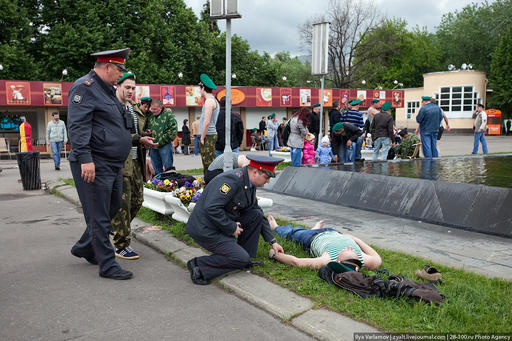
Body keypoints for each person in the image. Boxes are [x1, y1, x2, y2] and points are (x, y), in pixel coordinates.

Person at [68, 48, 134, 280]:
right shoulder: (84, 88)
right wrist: (85, 159)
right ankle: (107, 265)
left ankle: (85, 247)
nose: (120, 76)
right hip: (94, 162)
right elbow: (77, 126)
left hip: (111, 163)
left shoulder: (106, 90)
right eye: (118, 70)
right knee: (99, 215)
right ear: (107, 67)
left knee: (112, 206)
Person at [185, 155, 285, 285]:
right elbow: (212, 208)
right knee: (239, 258)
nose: (267, 182)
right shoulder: (232, 181)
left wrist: (273, 241)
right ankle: (199, 266)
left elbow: (257, 212)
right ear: (255, 172)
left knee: (255, 215)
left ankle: (244, 259)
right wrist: (231, 227)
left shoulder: (248, 181)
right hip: (205, 228)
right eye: (266, 177)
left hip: (218, 223)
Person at [111, 72, 158, 260]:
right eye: (127, 87)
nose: (130, 91)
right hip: (121, 162)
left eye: (133, 88)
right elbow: (117, 135)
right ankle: (121, 244)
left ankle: (115, 228)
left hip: (137, 160)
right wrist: (140, 138)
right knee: (123, 203)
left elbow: (134, 133)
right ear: (118, 86)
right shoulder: (113, 107)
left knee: (137, 200)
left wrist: (143, 141)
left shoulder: (132, 108)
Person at [266, 216, 381, 270]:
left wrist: (275, 255)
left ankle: (275, 227)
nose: (350, 248)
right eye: (353, 250)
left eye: (347, 251)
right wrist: (356, 240)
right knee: (302, 231)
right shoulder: (364, 260)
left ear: (339, 260)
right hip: (334, 232)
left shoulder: (328, 259)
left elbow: (297, 262)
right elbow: (377, 258)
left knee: (292, 232)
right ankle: (315, 227)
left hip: (312, 237)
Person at [147, 99, 177, 174]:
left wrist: (161, 141)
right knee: (156, 169)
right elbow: (148, 128)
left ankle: (169, 183)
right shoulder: (151, 116)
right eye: (152, 109)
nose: (153, 111)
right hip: (153, 146)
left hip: (164, 145)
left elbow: (173, 130)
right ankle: (159, 184)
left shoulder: (168, 115)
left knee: (168, 168)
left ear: (160, 108)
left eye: (155, 109)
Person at [199, 73, 220, 173]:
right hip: (210, 134)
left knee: (208, 164)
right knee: (210, 162)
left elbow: (206, 122)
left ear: (203, 87)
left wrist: (202, 137)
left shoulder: (209, 102)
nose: (199, 90)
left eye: (200, 87)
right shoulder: (213, 100)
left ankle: (210, 184)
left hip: (208, 135)